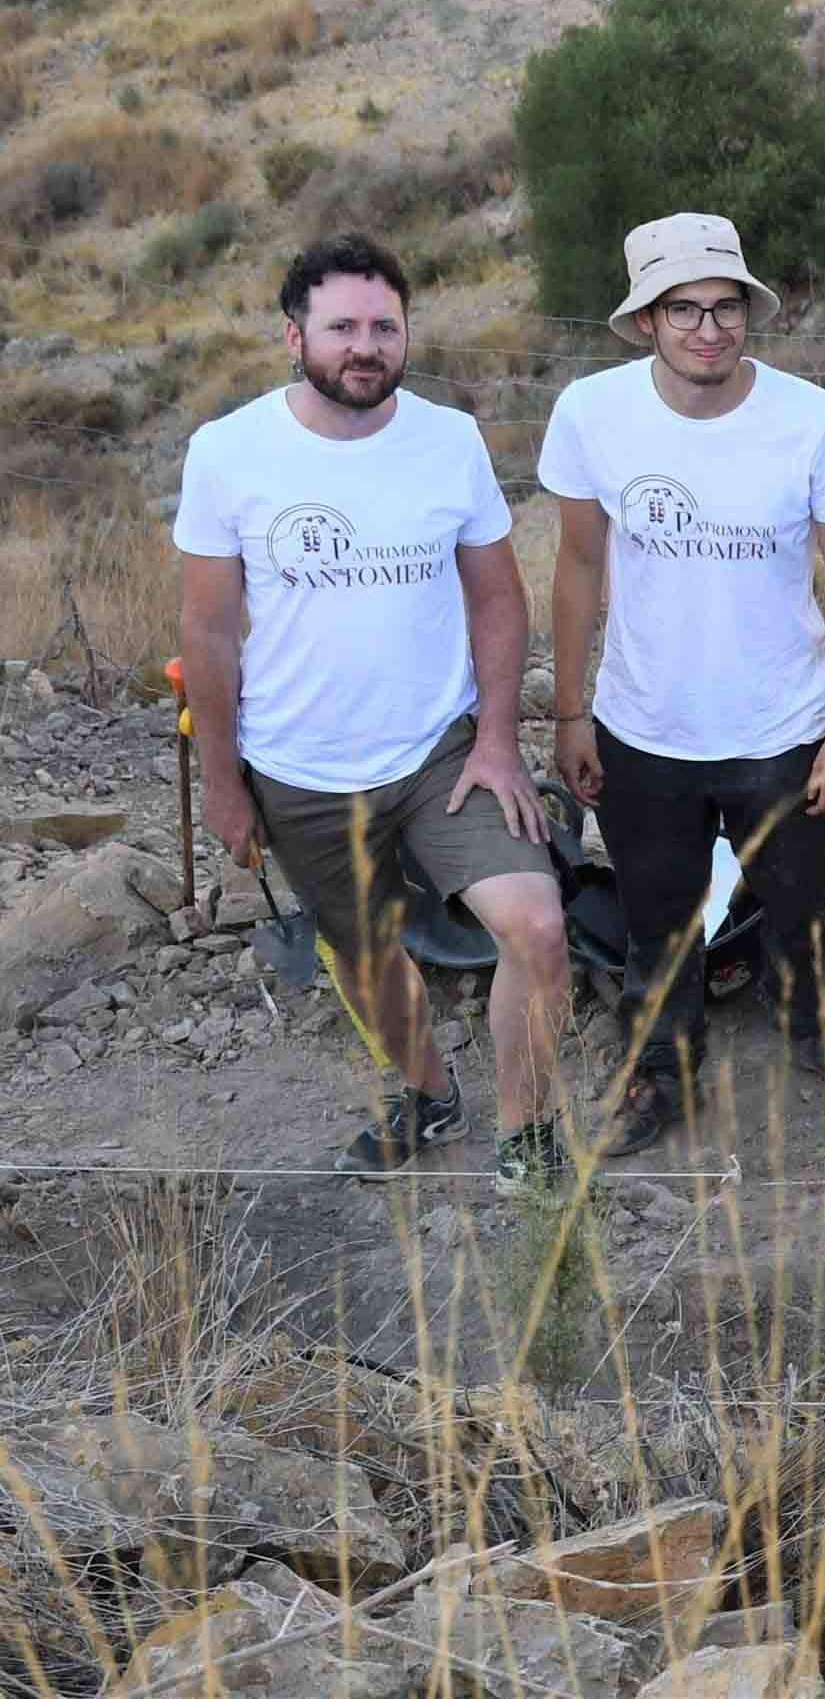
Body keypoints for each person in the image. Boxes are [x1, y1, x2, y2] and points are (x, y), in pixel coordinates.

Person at [175, 234, 579, 1195]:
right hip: (299, 767)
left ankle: (529, 1142)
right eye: (343, 326)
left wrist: (496, 739)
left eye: (384, 327)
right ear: (293, 336)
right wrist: (222, 782)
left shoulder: (448, 439)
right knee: (366, 957)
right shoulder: (228, 453)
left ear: (407, 335)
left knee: (538, 926)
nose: (366, 345)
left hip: (443, 752)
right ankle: (429, 1096)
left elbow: (495, 598)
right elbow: (210, 628)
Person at [541, 213, 825, 1160]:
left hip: (781, 724)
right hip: (643, 724)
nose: (708, 328)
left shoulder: (809, 418)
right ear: (647, 320)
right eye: (683, 309)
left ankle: (812, 1026)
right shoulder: (591, 414)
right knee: (658, 910)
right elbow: (577, 565)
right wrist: (570, 711)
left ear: (749, 311)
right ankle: (660, 1068)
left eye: (725, 306)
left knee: (798, 894)